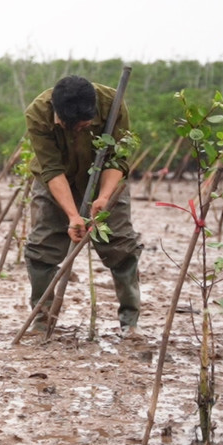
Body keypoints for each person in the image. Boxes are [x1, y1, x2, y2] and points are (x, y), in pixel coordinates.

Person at [24, 75, 142, 336]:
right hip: (55, 180)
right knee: (42, 247)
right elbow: (52, 169)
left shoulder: (113, 104)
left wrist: (104, 198)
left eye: (83, 125)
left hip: (104, 178)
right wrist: (73, 215)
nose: (76, 130)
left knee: (121, 245)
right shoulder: (38, 113)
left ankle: (130, 324)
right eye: (69, 125)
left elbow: (117, 160)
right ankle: (42, 321)